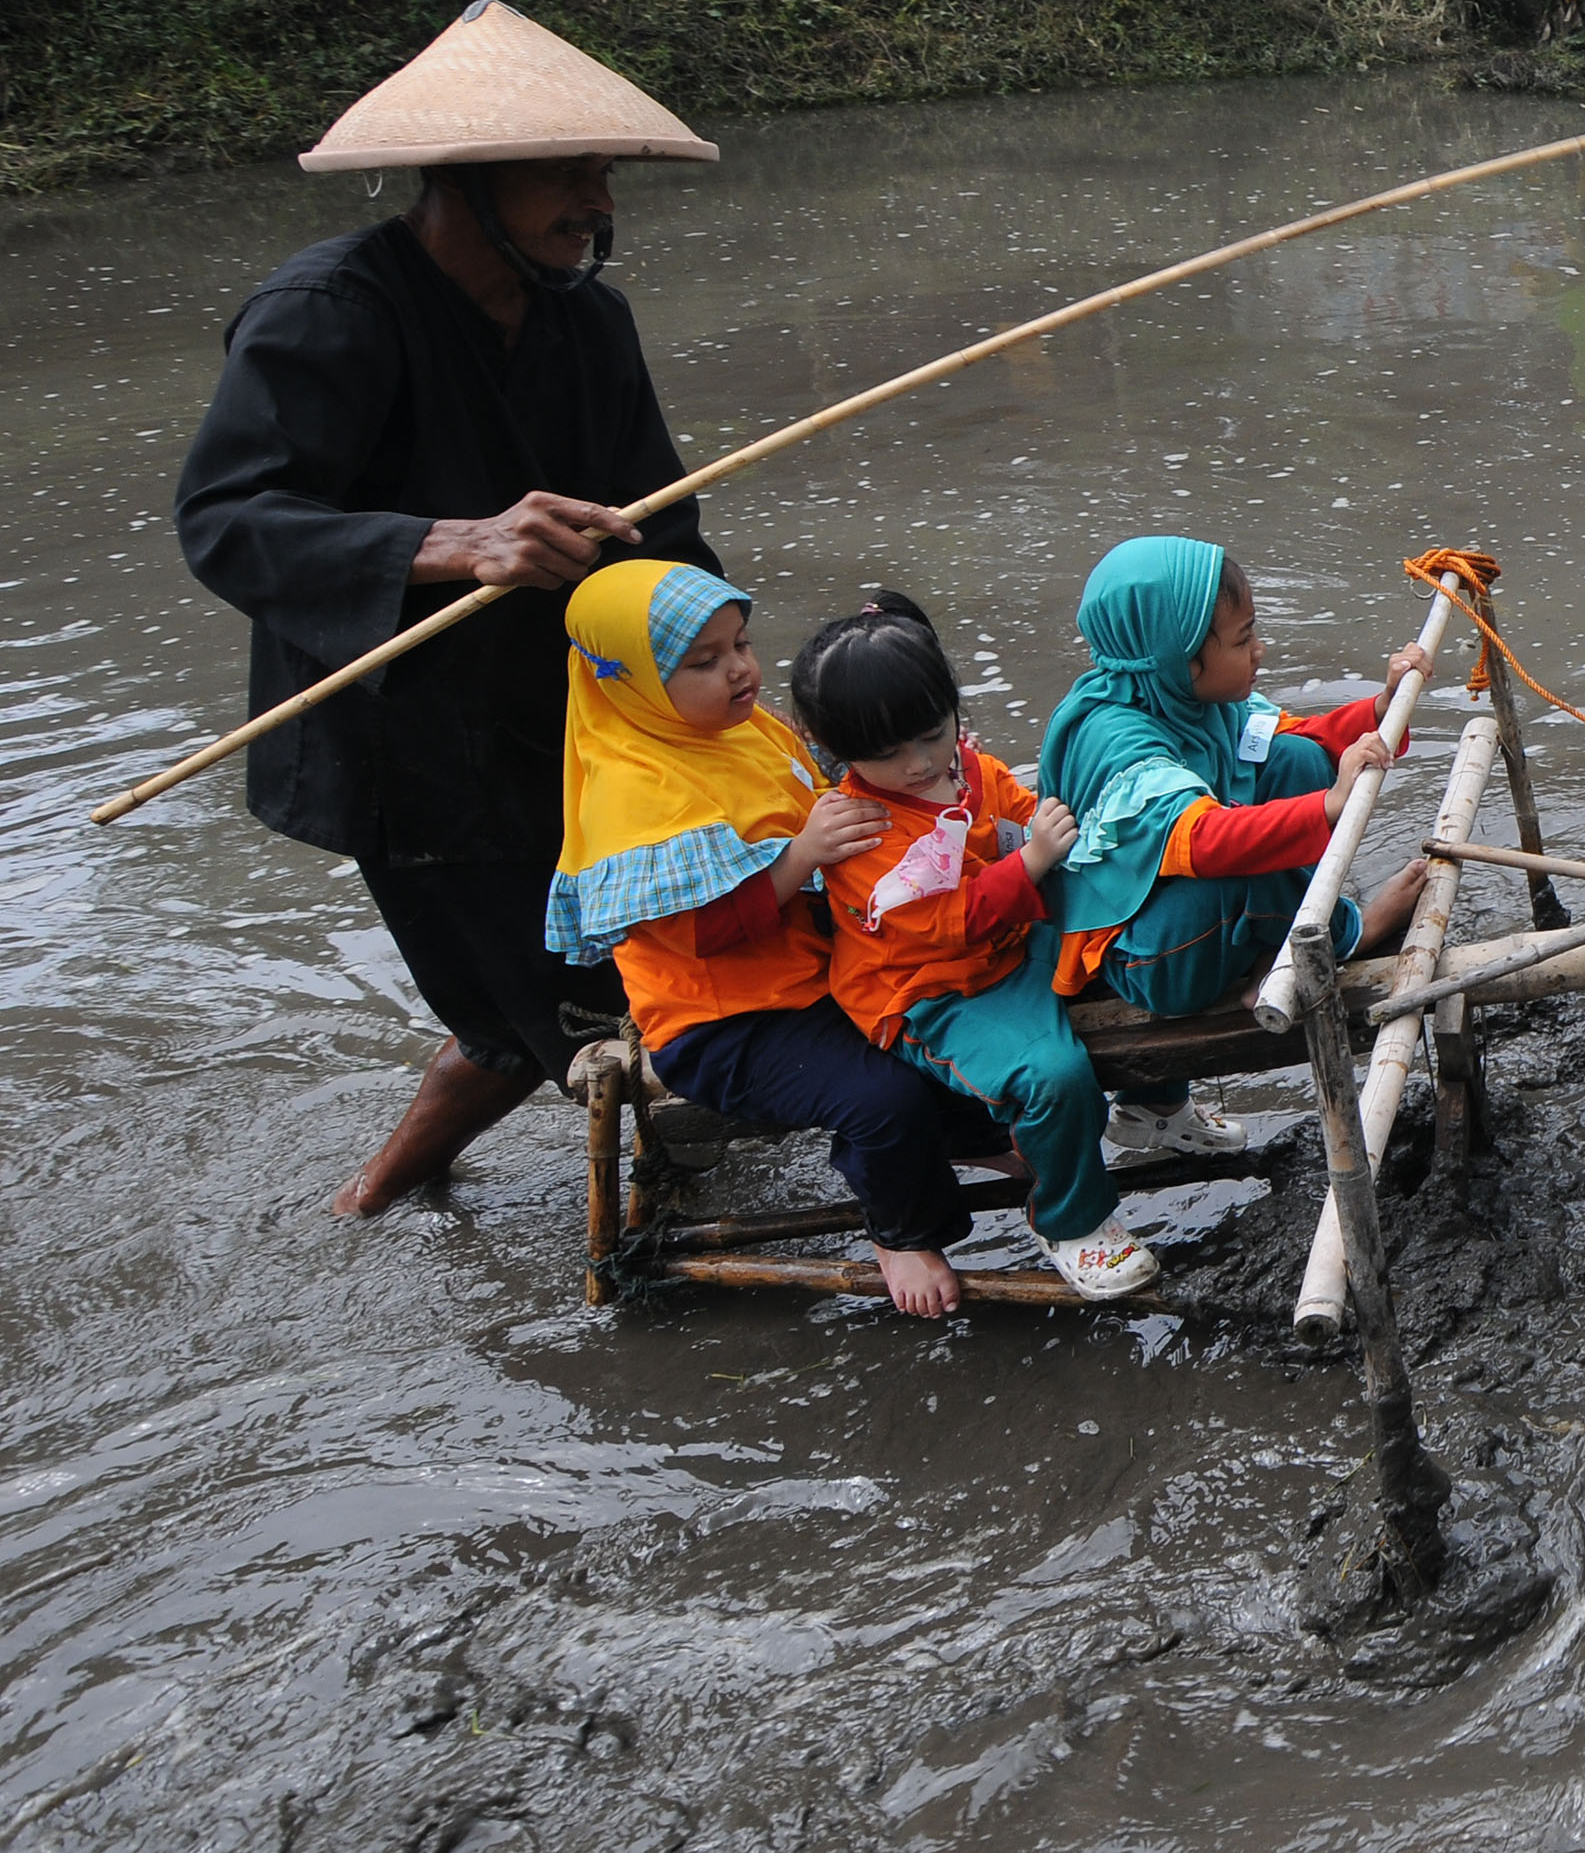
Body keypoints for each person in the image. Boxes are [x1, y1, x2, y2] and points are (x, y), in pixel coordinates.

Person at [178, 0, 724, 1217]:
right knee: (567, 1000)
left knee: (548, 991)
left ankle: (372, 1200)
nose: (598, 202)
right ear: (466, 181)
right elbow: (226, 519)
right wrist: (454, 542)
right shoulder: (330, 313)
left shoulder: (589, 316)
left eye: (604, 174)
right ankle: (604, 1209)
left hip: (565, 714)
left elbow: (660, 521)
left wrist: (716, 661)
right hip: (404, 740)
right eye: (568, 174)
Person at [548, 562, 1017, 1318]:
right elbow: (701, 933)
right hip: (725, 1022)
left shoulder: (745, 729)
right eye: (704, 661)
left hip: (812, 970)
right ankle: (901, 1230)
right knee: (881, 1096)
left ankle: (977, 1136)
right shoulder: (634, 791)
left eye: (740, 643)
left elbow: (830, 776)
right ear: (630, 683)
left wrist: (923, 767)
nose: (739, 669)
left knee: (936, 1017)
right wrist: (801, 856)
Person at [796, 595, 1158, 1303]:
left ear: (951, 710)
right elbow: (946, 923)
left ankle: (1159, 1108)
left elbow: (1015, 809)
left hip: (1010, 940)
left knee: (1145, 942)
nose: (918, 763)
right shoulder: (861, 829)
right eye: (887, 754)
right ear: (839, 751)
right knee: (1053, 1076)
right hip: (933, 988)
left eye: (932, 735)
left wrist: (1062, 822)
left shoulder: (964, 764)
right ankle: (1073, 1223)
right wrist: (1034, 860)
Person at [1035, 538, 1429, 1160]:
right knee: (1246, 872)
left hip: (1178, 911)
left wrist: (1384, 706)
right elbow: (1202, 841)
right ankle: (1347, 932)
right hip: (1144, 955)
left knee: (1296, 760)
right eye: (1243, 640)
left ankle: (1269, 954)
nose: (1259, 651)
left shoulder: (1190, 700)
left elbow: (1305, 738)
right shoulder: (1112, 735)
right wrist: (1329, 806)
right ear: (1179, 655)